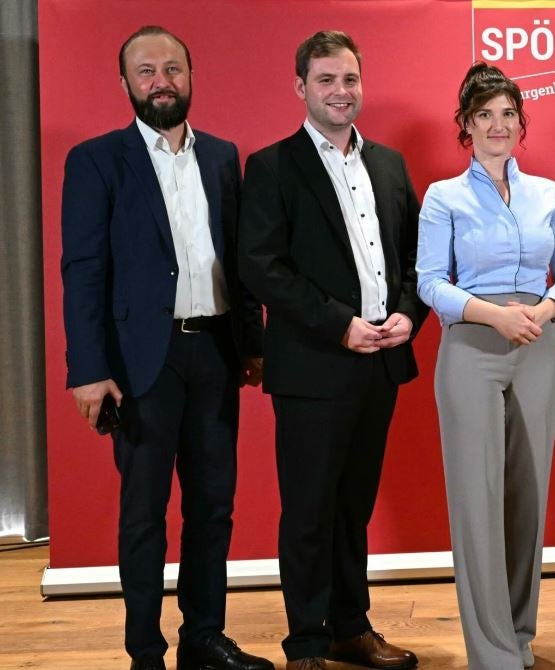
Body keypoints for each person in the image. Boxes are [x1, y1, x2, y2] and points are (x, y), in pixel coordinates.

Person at [60, 25, 273, 670]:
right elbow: (83, 271)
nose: (161, 82)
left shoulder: (223, 156)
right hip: (140, 364)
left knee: (213, 507)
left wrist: (252, 344)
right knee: (144, 514)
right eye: (146, 71)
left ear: (191, 75)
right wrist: (89, 370)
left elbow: (239, 261)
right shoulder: (97, 160)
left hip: (215, 354)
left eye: (172, 69)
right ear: (125, 82)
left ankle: (204, 638)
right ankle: (146, 652)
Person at [239, 30, 428, 670]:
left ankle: (351, 627)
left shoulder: (390, 164)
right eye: (326, 80)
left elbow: (415, 255)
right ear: (301, 87)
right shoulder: (272, 166)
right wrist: (339, 324)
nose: (340, 91)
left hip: (381, 361)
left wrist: (408, 312)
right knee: (309, 512)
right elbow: (262, 266)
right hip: (313, 366)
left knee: (353, 508)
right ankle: (305, 643)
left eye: (349, 79)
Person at [416, 62, 555, 669]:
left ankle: (519, 634)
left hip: (539, 341)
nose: (497, 125)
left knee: (529, 497)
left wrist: (545, 308)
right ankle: (491, 653)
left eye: (508, 113)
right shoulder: (444, 197)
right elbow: (430, 282)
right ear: (465, 124)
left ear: (520, 121)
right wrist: (494, 316)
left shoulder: (547, 194)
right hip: (472, 347)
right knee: (477, 499)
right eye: (484, 115)